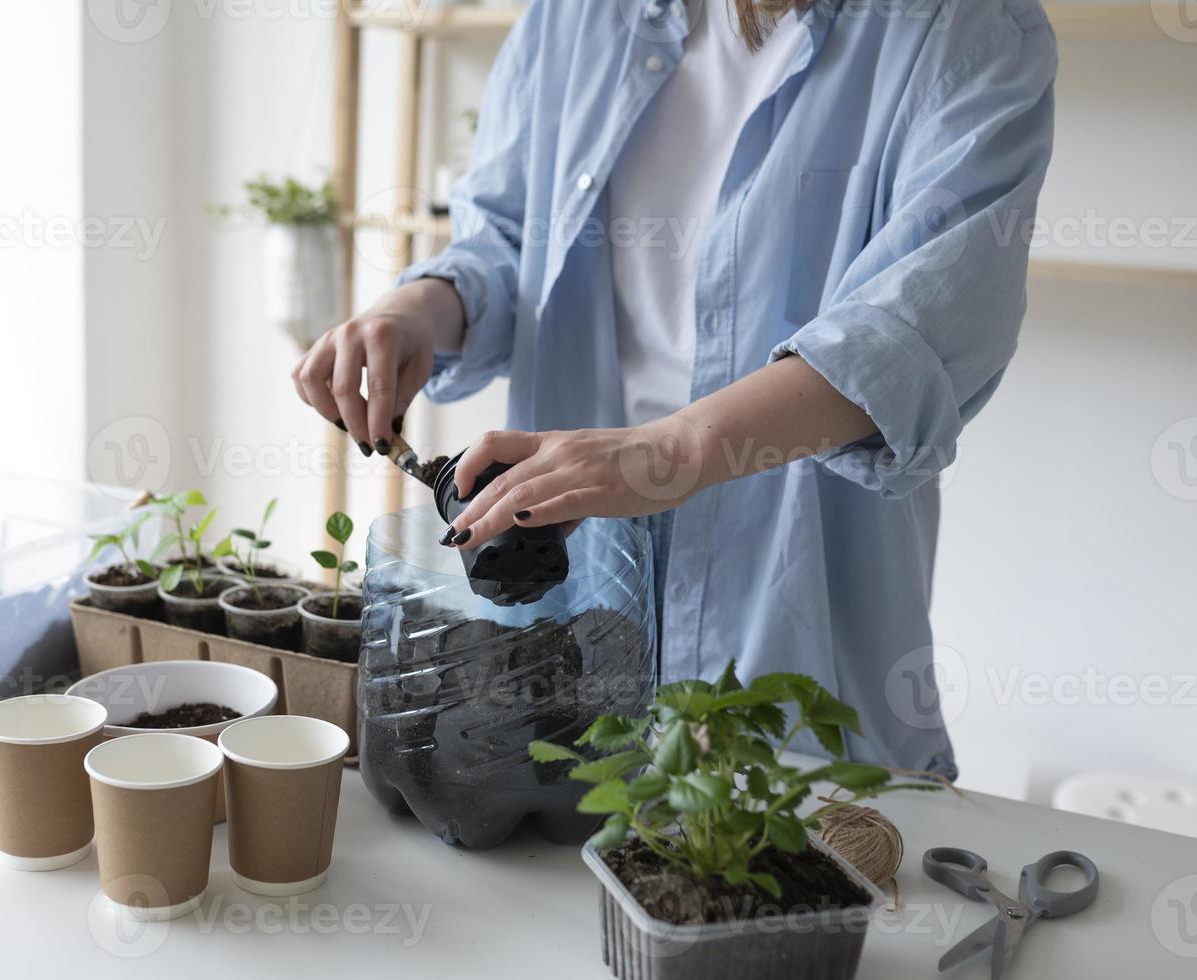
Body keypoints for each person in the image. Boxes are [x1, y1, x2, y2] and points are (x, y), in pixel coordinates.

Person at [292, 0, 1057, 778]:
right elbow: (508, 237)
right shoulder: (573, 18)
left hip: (794, 610)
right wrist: (417, 311)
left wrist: (667, 454)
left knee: (786, 847)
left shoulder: (966, 27)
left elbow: (913, 331)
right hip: (571, 603)